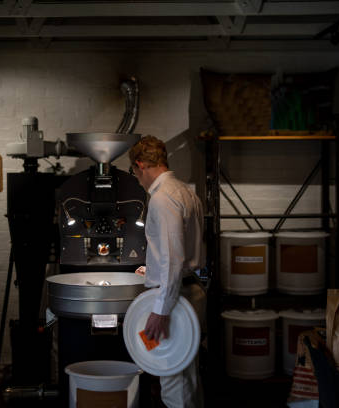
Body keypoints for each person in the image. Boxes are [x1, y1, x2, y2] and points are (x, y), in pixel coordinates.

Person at [129, 135, 206, 408]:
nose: (138, 179)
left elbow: (173, 259)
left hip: (173, 299)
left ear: (140, 165)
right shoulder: (187, 192)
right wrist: (150, 269)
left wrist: (160, 311)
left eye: (136, 173)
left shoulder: (162, 199)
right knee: (188, 373)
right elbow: (182, 251)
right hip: (190, 290)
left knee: (172, 378)